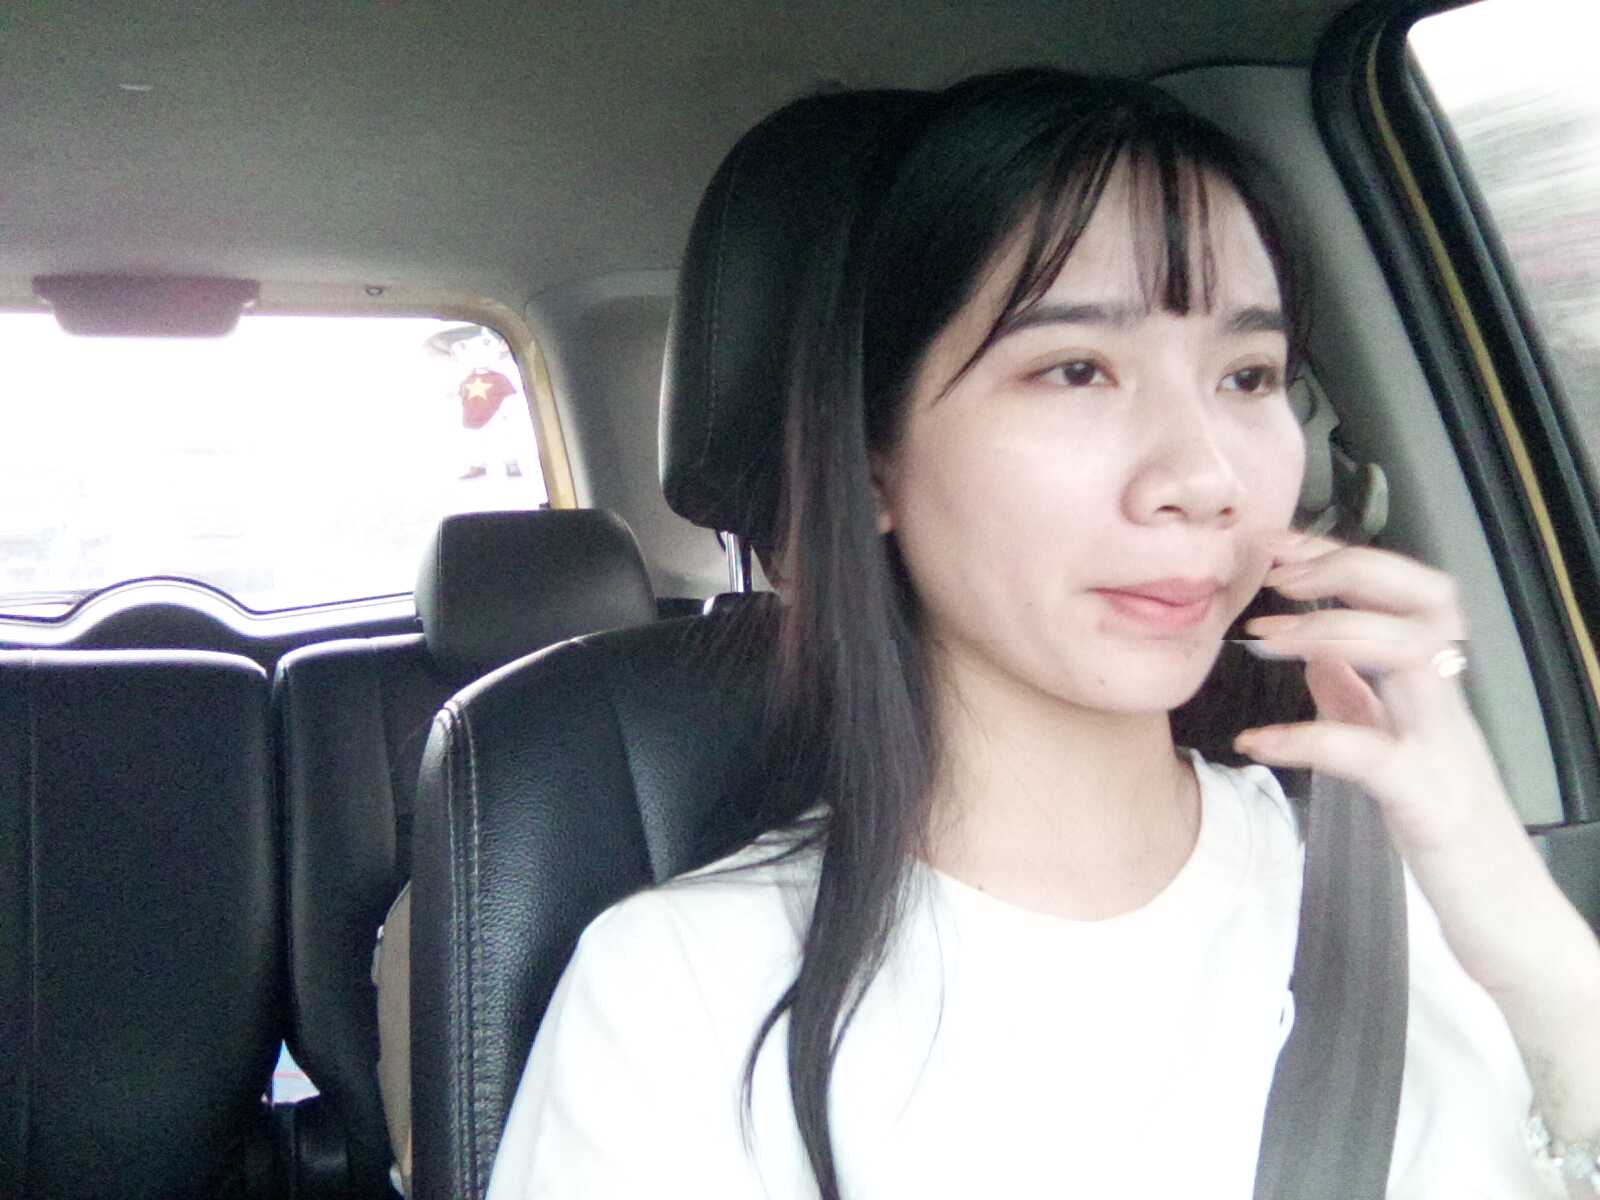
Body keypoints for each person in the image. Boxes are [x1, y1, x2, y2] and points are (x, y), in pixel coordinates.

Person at [486, 70, 1600, 1198]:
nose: (1206, 477)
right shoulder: (677, 1002)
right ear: (870, 461)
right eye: (1076, 370)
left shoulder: (1415, 882)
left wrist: (1519, 925)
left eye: (1248, 375)